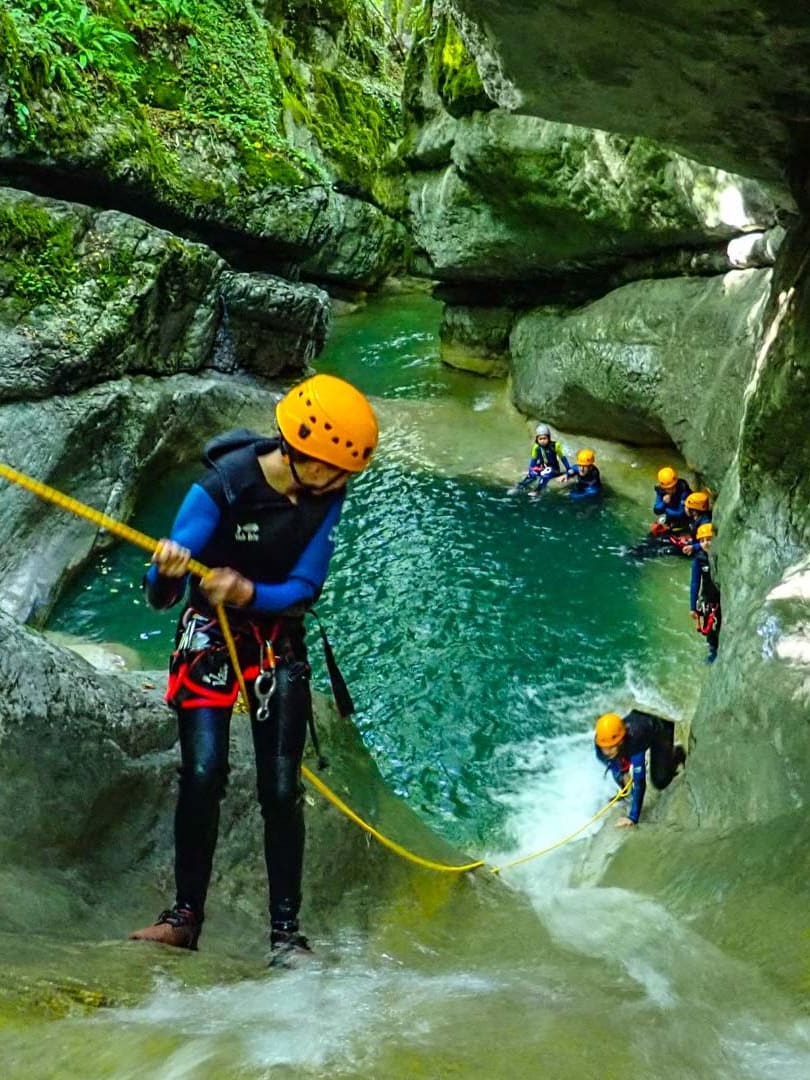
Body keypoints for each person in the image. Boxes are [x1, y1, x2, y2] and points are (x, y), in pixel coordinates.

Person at [129, 373, 378, 962]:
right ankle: (184, 917)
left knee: (282, 787)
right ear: (301, 456)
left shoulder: (326, 495)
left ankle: (286, 934)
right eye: (336, 471)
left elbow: (304, 587)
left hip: (275, 639)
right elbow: (160, 595)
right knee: (203, 772)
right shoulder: (223, 486)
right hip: (210, 636)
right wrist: (166, 567)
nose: (343, 483)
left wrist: (247, 593)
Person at [594, 710, 686, 826]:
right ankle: (625, 793)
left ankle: (677, 754)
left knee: (660, 781)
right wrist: (623, 776)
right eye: (605, 748)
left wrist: (632, 817)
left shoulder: (635, 741)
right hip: (638, 724)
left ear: (621, 741)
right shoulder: (601, 744)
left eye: (612, 747)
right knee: (619, 774)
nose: (608, 751)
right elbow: (612, 763)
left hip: (659, 729)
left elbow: (639, 782)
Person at [511, 423, 572, 497]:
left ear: (548, 438)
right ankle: (520, 486)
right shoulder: (536, 447)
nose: (542, 441)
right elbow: (534, 460)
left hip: (553, 468)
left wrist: (568, 469)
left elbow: (563, 458)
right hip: (542, 466)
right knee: (532, 474)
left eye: (544, 438)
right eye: (540, 439)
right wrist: (531, 470)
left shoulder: (555, 446)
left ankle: (538, 490)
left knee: (545, 474)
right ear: (537, 439)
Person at [690, 522, 721, 662]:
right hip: (709, 599)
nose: (705, 543)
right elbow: (695, 582)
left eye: (708, 539)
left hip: (721, 598)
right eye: (702, 541)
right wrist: (692, 607)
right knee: (710, 630)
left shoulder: (721, 557)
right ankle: (713, 652)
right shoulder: (699, 559)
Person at [681, 490, 712, 557]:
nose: (685, 508)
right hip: (694, 543)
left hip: (699, 549)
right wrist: (689, 540)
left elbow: (707, 543)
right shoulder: (696, 517)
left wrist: (693, 547)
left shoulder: (705, 523)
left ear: (694, 511)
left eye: (686, 507)